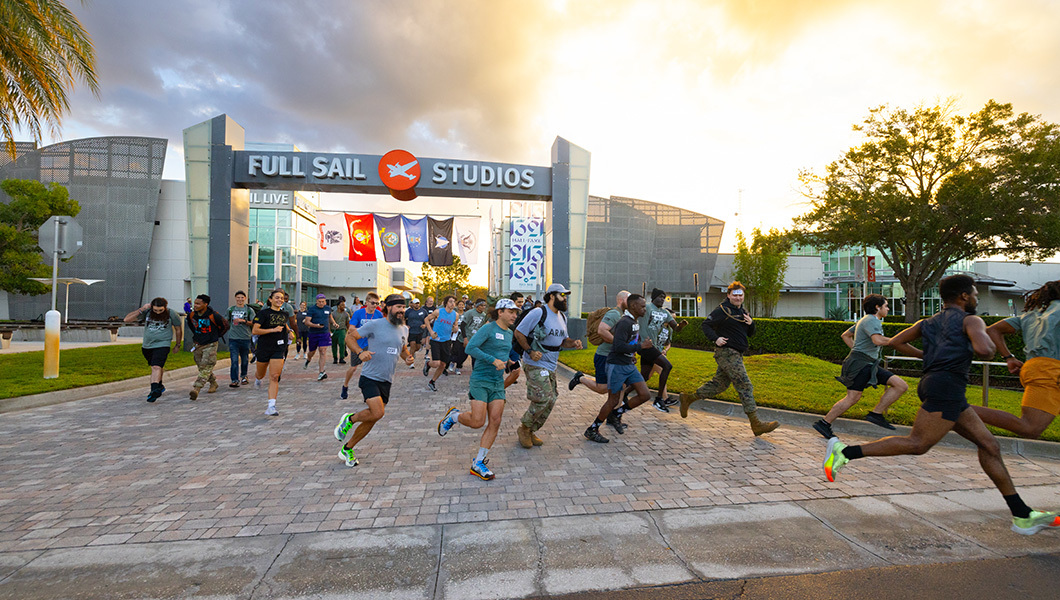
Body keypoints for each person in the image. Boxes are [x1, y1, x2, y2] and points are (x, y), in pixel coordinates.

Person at [823, 275, 1059, 535]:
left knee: (990, 446)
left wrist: (927, 355)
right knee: (918, 444)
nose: (977, 298)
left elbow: (896, 342)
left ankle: (1022, 514)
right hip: (947, 388)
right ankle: (844, 452)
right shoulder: (971, 320)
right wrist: (987, 348)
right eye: (975, 294)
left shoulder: (928, 321)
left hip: (935, 384)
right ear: (964, 297)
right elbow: (984, 350)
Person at [679, 281, 779, 436]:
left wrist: (751, 324)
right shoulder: (722, 310)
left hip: (737, 353)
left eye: (740, 295)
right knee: (745, 385)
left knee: (719, 385)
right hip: (727, 352)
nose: (738, 298)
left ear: (743, 296)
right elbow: (706, 325)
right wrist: (715, 338)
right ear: (728, 295)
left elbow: (750, 333)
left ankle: (688, 399)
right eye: (735, 295)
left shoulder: (743, 311)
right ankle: (756, 424)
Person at [438, 299, 521, 480]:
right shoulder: (488, 328)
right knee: (477, 421)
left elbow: (502, 352)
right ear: (500, 312)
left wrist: (508, 361)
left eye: (516, 312)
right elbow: (470, 348)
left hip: (497, 382)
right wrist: (492, 360)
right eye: (511, 311)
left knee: (496, 421)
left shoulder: (509, 333)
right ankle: (454, 416)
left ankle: (478, 462)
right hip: (481, 379)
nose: (515, 315)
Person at [812, 294, 911, 438]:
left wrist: (856, 351)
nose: (888, 309)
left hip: (866, 363)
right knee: (852, 397)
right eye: (886, 306)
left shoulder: (865, 320)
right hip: (860, 365)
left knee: (900, 385)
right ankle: (824, 423)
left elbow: (845, 335)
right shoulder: (872, 320)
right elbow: (877, 340)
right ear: (877, 307)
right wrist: (896, 340)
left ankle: (876, 414)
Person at [333, 294, 414, 467]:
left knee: (372, 418)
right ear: (388, 308)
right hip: (369, 377)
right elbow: (350, 337)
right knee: (378, 412)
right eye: (398, 307)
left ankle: (347, 448)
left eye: (403, 307)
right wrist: (360, 352)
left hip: (387, 380)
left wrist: (407, 357)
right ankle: (350, 419)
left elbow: (403, 348)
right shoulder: (375, 324)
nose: (401, 310)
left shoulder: (404, 329)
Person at [973, 280, 1060, 439]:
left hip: (1035, 368)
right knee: (1030, 428)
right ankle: (956, 408)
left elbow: (993, 330)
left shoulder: (1031, 315)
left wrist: (1009, 358)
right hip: (1050, 372)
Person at [513, 283, 583, 448]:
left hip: (552, 364)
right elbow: (519, 332)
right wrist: (529, 351)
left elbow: (563, 341)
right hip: (535, 362)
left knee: (552, 399)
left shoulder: (562, 317)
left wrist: (573, 343)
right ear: (552, 296)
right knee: (543, 397)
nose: (565, 299)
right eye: (562, 295)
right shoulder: (539, 312)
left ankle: (531, 429)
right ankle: (524, 427)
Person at [584, 294, 654, 443]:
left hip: (628, 364)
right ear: (633, 306)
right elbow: (618, 346)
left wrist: (633, 352)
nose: (644, 309)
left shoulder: (634, 322)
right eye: (642, 306)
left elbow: (628, 344)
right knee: (613, 399)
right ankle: (593, 429)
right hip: (617, 365)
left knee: (645, 395)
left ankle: (617, 414)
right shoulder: (624, 322)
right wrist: (641, 346)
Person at [569, 291, 630, 400]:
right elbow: (601, 330)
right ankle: (580, 378)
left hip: (616, 357)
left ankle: (615, 413)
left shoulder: (623, 315)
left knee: (623, 384)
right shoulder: (614, 314)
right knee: (602, 388)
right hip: (604, 356)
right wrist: (619, 344)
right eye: (628, 299)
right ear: (621, 300)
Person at [636, 288, 688, 412]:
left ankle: (625, 393)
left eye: (664, 297)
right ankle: (659, 399)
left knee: (644, 376)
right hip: (645, 345)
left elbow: (675, 328)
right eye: (660, 296)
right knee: (667, 366)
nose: (662, 299)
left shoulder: (665, 313)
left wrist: (681, 326)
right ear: (653, 298)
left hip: (654, 347)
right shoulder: (647, 307)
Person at [124, 298, 182, 402]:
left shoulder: (171, 313)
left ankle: (154, 391)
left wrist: (178, 344)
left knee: (156, 366)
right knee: (156, 367)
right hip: (147, 345)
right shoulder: (147, 312)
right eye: (155, 310)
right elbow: (126, 319)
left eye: (160, 310)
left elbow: (178, 329)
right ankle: (159, 385)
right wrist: (142, 309)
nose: (158, 312)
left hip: (163, 344)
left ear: (165, 307)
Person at [252, 289, 291, 417]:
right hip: (264, 348)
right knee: (261, 373)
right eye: (277, 298)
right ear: (270, 299)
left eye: (282, 298)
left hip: (278, 348)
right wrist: (272, 330)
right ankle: (257, 378)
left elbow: (283, 324)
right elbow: (255, 331)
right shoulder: (263, 314)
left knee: (274, 376)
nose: (280, 300)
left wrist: (289, 331)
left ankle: (271, 406)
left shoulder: (284, 314)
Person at [341, 292, 384, 400]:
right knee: (353, 367)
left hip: (372, 345)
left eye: (377, 303)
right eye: (373, 303)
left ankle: (370, 394)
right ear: (367, 302)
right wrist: (363, 332)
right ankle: (345, 385)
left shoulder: (379, 314)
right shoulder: (358, 313)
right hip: (358, 344)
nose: (375, 305)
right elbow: (351, 328)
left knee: (371, 370)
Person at [187, 294, 227, 401]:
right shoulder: (191, 315)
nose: (195, 305)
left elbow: (225, 326)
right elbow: (191, 326)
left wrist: (215, 336)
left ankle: (196, 389)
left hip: (211, 344)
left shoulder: (214, 316)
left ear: (205, 304)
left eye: (198, 304)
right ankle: (213, 383)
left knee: (206, 365)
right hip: (198, 344)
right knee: (201, 367)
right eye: (195, 303)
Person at [424, 295, 459, 391]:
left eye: (454, 302)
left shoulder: (455, 315)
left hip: (446, 341)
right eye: (451, 301)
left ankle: (432, 381)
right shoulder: (438, 312)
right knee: (436, 363)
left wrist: (455, 328)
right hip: (436, 339)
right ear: (446, 303)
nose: (453, 304)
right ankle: (428, 364)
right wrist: (431, 332)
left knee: (443, 365)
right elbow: (426, 319)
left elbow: (455, 326)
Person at [303, 293, 337, 381]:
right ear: (316, 302)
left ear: (325, 301)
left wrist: (334, 323)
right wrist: (316, 325)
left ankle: (321, 372)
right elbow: (307, 322)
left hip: (324, 333)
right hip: (314, 333)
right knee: (312, 351)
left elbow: (330, 317)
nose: (321, 303)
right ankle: (308, 359)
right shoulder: (312, 309)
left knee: (322, 351)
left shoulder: (327, 308)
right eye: (319, 302)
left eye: (323, 302)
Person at [225, 291, 256, 388]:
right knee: (234, 360)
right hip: (233, 338)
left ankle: (244, 376)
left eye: (242, 297)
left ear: (245, 298)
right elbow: (226, 321)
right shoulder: (231, 309)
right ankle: (234, 379)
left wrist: (243, 321)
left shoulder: (249, 310)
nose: (240, 299)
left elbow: (254, 322)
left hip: (245, 337)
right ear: (235, 298)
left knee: (244, 359)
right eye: (238, 297)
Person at [457, 299, 489, 372]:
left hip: (475, 340)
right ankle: (455, 364)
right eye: (482, 305)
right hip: (466, 338)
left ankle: (475, 371)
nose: (483, 307)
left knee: (475, 357)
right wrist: (465, 338)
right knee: (462, 357)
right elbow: (462, 325)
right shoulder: (470, 313)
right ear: (477, 306)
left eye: (485, 305)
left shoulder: (484, 315)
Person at [504, 292, 526, 389]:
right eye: (519, 302)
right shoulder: (505, 313)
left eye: (522, 302)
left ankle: (512, 377)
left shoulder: (522, 313)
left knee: (515, 363)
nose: (521, 304)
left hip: (515, 343)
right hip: (505, 341)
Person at [405, 297, 430, 368]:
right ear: (412, 304)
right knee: (412, 345)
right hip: (411, 331)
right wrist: (405, 325)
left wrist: (425, 325)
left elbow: (427, 319)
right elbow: (403, 318)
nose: (416, 305)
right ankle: (411, 362)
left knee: (418, 347)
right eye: (415, 303)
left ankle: (413, 353)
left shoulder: (423, 311)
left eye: (417, 303)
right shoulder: (409, 311)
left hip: (420, 332)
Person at [331, 297, 349, 365]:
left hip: (342, 330)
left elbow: (347, 323)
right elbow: (329, 322)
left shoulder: (346, 314)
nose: (343, 306)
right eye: (342, 305)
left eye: (344, 305)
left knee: (342, 343)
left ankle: (342, 358)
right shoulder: (333, 313)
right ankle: (335, 358)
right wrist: (329, 331)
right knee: (334, 344)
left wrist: (348, 331)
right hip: (334, 330)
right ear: (338, 306)